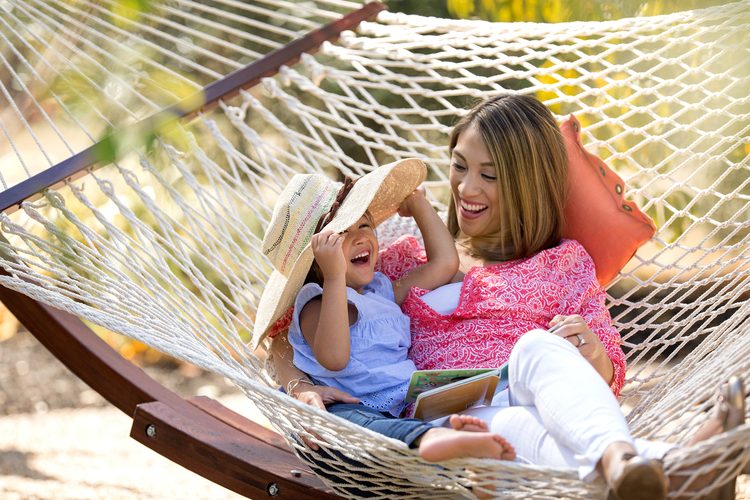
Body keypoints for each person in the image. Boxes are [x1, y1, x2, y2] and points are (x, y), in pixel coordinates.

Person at [256, 95, 744, 499]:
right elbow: (286, 334)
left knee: (537, 348)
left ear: (527, 182)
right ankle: (685, 467)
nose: (466, 188)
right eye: (460, 167)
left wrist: (593, 353)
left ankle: (627, 463)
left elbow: (610, 370)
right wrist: (299, 388)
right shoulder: (399, 261)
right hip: (461, 417)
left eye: (488, 175)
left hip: (552, 395)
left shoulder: (564, 264)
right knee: (508, 428)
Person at [255, 160, 515, 462]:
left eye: (364, 224)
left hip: (404, 404)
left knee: (474, 399)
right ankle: (431, 440)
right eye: (340, 234)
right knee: (356, 425)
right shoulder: (315, 303)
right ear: (317, 260)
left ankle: (470, 465)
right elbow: (335, 359)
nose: (360, 237)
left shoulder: (382, 290)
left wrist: (418, 204)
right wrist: (335, 276)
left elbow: (444, 264)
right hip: (347, 407)